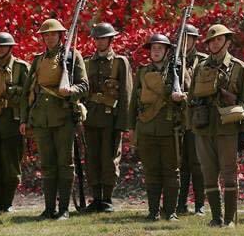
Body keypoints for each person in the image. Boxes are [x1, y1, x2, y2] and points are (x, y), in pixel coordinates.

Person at [20, 18, 88, 220]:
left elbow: (84, 85)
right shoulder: (38, 60)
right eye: (46, 35)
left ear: (60, 36)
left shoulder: (72, 56)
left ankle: (64, 209)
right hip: (41, 118)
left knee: (65, 164)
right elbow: (27, 92)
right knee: (47, 164)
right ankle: (49, 208)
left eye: (53, 34)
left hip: (63, 117)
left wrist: (71, 91)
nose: (49, 38)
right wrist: (24, 119)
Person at [188, 23, 244, 227]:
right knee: (208, 174)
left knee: (229, 175)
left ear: (227, 42)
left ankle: (229, 219)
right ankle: (216, 217)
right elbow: (191, 98)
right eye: (211, 40)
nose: (214, 43)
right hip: (203, 127)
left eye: (219, 39)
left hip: (228, 128)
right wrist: (192, 126)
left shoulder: (238, 67)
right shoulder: (200, 67)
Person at [130, 33, 183, 221]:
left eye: (160, 48)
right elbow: (133, 103)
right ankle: (153, 212)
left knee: (171, 172)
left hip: (169, 129)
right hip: (146, 128)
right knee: (151, 171)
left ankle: (171, 212)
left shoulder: (177, 72)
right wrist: (131, 129)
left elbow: (187, 99)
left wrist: (178, 96)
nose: (156, 51)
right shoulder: (142, 72)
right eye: (153, 48)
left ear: (167, 51)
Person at [84, 22, 133, 213]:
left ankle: (107, 198)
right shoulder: (87, 62)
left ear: (111, 40)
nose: (99, 42)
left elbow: (126, 94)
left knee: (110, 158)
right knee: (93, 158)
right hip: (91, 118)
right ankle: (96, 197)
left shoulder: (120, 62)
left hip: (111, 118)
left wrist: (123, 123)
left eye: (103, 38)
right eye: (96, 38)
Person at [0, 32, 29, 214]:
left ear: (10, 47)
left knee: (11, 165)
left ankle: (7, 203)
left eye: (2, 46)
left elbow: (28, 97)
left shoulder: (21, 67)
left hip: (12, 121)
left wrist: (25, 120)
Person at [177, 23, 207, 216]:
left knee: (197, 164)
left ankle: (199, 205)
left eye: (189, 37)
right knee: (179, 165)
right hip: (176, 120)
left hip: (196, 119)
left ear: (195, 40)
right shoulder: (172, 61)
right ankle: (179, 204)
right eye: (182, 37)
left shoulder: (203, 61)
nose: (185, 41)